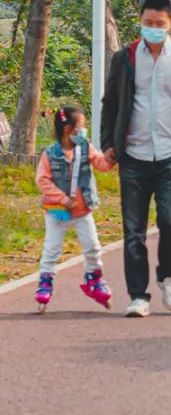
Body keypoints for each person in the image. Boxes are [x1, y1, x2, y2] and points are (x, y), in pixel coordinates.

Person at [100, 0, 171, 318]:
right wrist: (108, 142)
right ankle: (138, 295)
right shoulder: (125, 58)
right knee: (133, 230)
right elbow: (110, 104)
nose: (153, 28)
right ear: (140, 21)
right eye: (148, 22)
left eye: (159, 23)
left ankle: (167, 276)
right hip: (133, 157)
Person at [34, 103, 115, 311]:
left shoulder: (86, 148)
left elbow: (100, 164)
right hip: (57, 212)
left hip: (82, 211)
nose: (84, 130)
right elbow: (42, 181)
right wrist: (63, 199)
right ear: (68, 129)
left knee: (92, 246)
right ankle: (45, 281)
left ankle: (94, 278)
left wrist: (109, 159)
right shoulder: (50, 154)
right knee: (52, 249)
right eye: (81, 126)